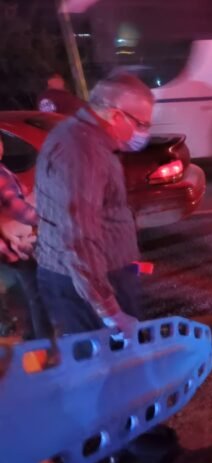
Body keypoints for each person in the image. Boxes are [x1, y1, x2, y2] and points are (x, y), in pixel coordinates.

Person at [34, 72, 154, 338]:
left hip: (89, 281)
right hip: (85, 291)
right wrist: (110, 312)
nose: (144, 132)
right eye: (142, 123)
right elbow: (80, 239)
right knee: (105, 369)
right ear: (116, 115)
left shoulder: (81, 138)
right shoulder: (83, 151)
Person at [0, 136, 52, 339]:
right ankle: (42, 343)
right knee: (35, 295)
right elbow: (19, 210)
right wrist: (48, 219)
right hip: (10, 249)